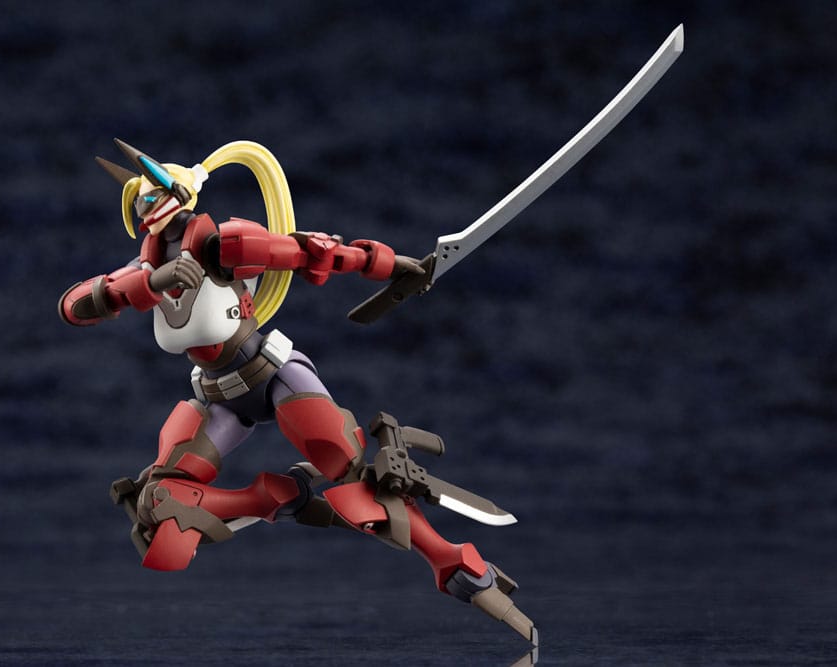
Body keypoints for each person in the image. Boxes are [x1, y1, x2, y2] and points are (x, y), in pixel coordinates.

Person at [58, 139, 536, 643]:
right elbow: (73, 306)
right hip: (218, 398)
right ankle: (276, 496)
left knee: (358, 477)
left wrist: (394, 266)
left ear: (180, 192)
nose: (145, 207)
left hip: (273, 374)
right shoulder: (145, 270)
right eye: (139, 201)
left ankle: (455, 564)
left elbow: (314, 254)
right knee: (161, 501)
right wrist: (150, 282)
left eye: (152, 195)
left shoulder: (222, 246)